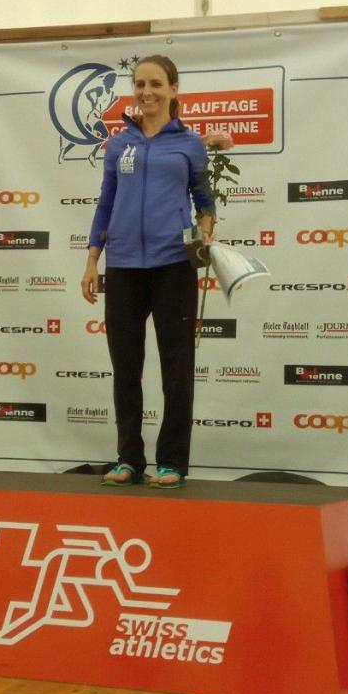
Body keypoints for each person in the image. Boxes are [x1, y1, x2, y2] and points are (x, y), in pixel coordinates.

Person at [80, 55, 215, 489]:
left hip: (174, 265)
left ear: (174, 89)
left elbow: (205, 201)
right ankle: (129, 458)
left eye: (156, 84)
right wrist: (92, 259)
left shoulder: (190, 144)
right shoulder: (119, 145)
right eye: (140, 84)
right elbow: (106, 203)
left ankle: (171, 461)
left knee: (177, 368)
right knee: (125, 368)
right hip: (123, 268)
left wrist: (205, 234)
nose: (146, 92)